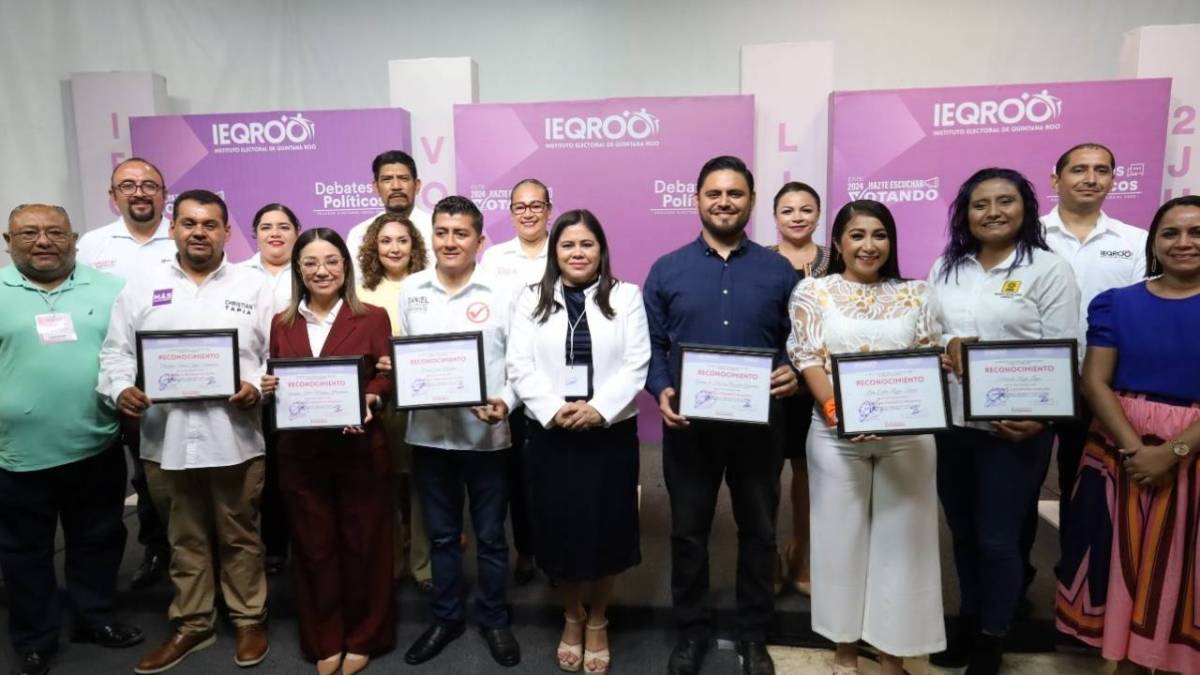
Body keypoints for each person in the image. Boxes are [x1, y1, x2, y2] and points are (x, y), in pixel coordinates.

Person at [99, 189, 275, 673]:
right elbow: (116, 354)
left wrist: (256, 388)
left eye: (211, 224)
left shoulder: (253, 286)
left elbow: (274, 358)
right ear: (173, 227)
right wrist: (120, 390)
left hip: (234, 435)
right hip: (167, 438)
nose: (200, 232)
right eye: (190, 223)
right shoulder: (141, 286)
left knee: (241, 535)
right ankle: (193, 624)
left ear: (227, 232)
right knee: (184, 536)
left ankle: (247, 618)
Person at [643, 156, 800, 675]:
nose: (724, 202)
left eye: (735, 194)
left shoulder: (780, 270)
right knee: (688, 532)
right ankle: (691, 634)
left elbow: (798, 341)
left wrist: (792, 370)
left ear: (752, 202)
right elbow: (654, 344)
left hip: (760, 426)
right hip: (690, 427)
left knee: (758, 532)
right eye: (714, 193)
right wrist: (662, 389)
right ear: (697, 200)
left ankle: (754, 636)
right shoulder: (667, 269)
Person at [927, 168, 1080, 675]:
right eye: (980, 204)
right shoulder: (947, 269)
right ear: (964, 214)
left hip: (1015, 429)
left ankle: (994, 635)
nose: (993, 212)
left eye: (1005, 201)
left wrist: (1040, 419)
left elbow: (1065, 353)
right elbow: (926, 333)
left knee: (999, 537)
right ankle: (970, 620)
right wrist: (943, 344)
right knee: (964, 532)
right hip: (952, 424)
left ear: (1025, 208)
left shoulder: (1047, 269)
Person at [788, 199, 945, 674]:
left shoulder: (917, 293)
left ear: (891, 242)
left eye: (879, 235)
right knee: (840, 541)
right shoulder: (813, 291)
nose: (868, 245)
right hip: (836, 437)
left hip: (907, 437)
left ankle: (894, 651)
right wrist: (839, 413)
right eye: (857, 235)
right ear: (838, 242)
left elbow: (928, 354)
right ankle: (845, 649)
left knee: (904, 544)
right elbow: (808, 357)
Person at [1056, 195, 1200, 675]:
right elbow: (1094, 381)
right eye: (1171, 233)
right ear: (1154, 243)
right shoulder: (1117, 303)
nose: (1183, 243)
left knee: (1184, 571)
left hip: (1193, 456)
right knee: (1124, 564)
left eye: (1196, 232)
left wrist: (1174, 451)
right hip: (1121, 451)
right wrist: (1137, 449)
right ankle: (1128, 664)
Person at [0, 204, 143, 675]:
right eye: (29, 233)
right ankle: (35, 638)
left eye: (55, 232)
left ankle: (94, 618)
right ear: (8, 239)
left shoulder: (109, 290)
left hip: (95, 444)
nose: (43, 241)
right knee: (24, 553)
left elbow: (130, 354)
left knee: (97, 540)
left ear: (74, 238)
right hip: (15, 455)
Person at [507, 209, 650, 673]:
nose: (577, 253)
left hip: (608, 433)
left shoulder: (625, 296)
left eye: (586, 244)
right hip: (551, 434)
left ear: (601, 250)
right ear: (555, 251)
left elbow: (636, 363)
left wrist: (598, 409)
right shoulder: (530, 299)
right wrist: (553, 409)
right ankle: (572, 615)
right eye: (567, 245)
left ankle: (599, 619)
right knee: (559, 530)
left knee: (606, 529)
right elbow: (519, 365)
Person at [261, 228, 395, 675]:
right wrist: (268, 386)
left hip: (358, 449)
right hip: (300, 455)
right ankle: (325, 638)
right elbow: (275, 377)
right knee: (314, 549)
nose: (322, 271)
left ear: (346, 266)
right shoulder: (282, 324)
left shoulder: (372, 317)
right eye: (311, 262)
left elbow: (384, 377)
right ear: (297, 268)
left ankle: (364, 636)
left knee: (364, 547)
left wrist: (371, 397)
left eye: (332, 261)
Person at [398, 196, 521, 668]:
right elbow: (412, 357)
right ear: (432, 237)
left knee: (490, 535)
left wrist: (505, 403)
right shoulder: (412, 290)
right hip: (428, 435)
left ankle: (494, 619)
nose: (450, 242)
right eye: (442, 233)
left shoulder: (503, 292)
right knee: (442, 536)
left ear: (479, 241)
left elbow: (519, 363)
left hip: (486, 437)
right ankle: (446, 618)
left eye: (461, 234)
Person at [1040, 143, 1147, 562]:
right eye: (1078, 170)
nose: (1090, 178)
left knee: (1083, 488)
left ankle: (1076, 582)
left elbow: (1141, 312)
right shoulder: (1026, 235)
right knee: (1019, 488)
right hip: (1031, 383)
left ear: (1113, 180)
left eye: (1101, 170)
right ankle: (1016, 585)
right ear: (1056, 180)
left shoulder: (1135, 242)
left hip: (1101, 386)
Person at [77, 157, 175, 591]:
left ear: (163, 193)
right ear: (112, 195)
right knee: (143, 474)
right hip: (119, 378)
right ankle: (156, 549)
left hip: (182, 374)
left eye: (149, 185)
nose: (139, 192)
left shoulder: (184, 237)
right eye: (128, 185)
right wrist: (117, 383)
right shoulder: (91, 248)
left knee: (182, 471)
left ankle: (194, 553)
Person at [480, 177, 554, 586]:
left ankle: (557, 548)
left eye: (536, 205)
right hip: (508, 379)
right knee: (517, 476)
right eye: (520, 206)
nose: (528, 212)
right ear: (510, 212)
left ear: (549, 209)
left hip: (554, 378)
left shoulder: (562, 249)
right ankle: (527, 549)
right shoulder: (493, 259)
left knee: (555, 470)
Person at [355, 213, 433, 593]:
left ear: (414, 246)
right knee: (381, 484)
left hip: (422, 400)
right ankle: (392, 561)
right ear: (374, 247)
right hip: (379, 401)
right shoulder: (360, 292)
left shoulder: (427, 287)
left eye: (402, 240)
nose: (394, 248)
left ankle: (422, 564)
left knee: (421, 485)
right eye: (385, 241)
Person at [767, 181, 830, 596]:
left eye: (806, 209)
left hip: (820, 380)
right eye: (788, 210)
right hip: (770, 380)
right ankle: (769, 553)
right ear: (774, 217)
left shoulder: (836, 258)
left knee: (810, 474)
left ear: (818, 214)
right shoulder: (759, 260)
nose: (797, 217)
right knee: (766, 471)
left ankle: (802, 551)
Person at [242, 203, 302, 576]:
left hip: (305, 389)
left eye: (283, 226)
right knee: (268, 476)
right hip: (256, 389)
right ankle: (275, 547)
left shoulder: (313, 268)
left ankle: (307, 544)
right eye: (266, 226)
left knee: (300, 470)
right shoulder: (236, 276)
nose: (275, 233)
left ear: (297, 231)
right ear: (255, 233)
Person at [345, 150, 435, 262]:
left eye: (403, 178)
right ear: (376, 187)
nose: (396, 186)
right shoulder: (359, 234)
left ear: (416, 185)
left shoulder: (436, 229)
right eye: (387, 179)